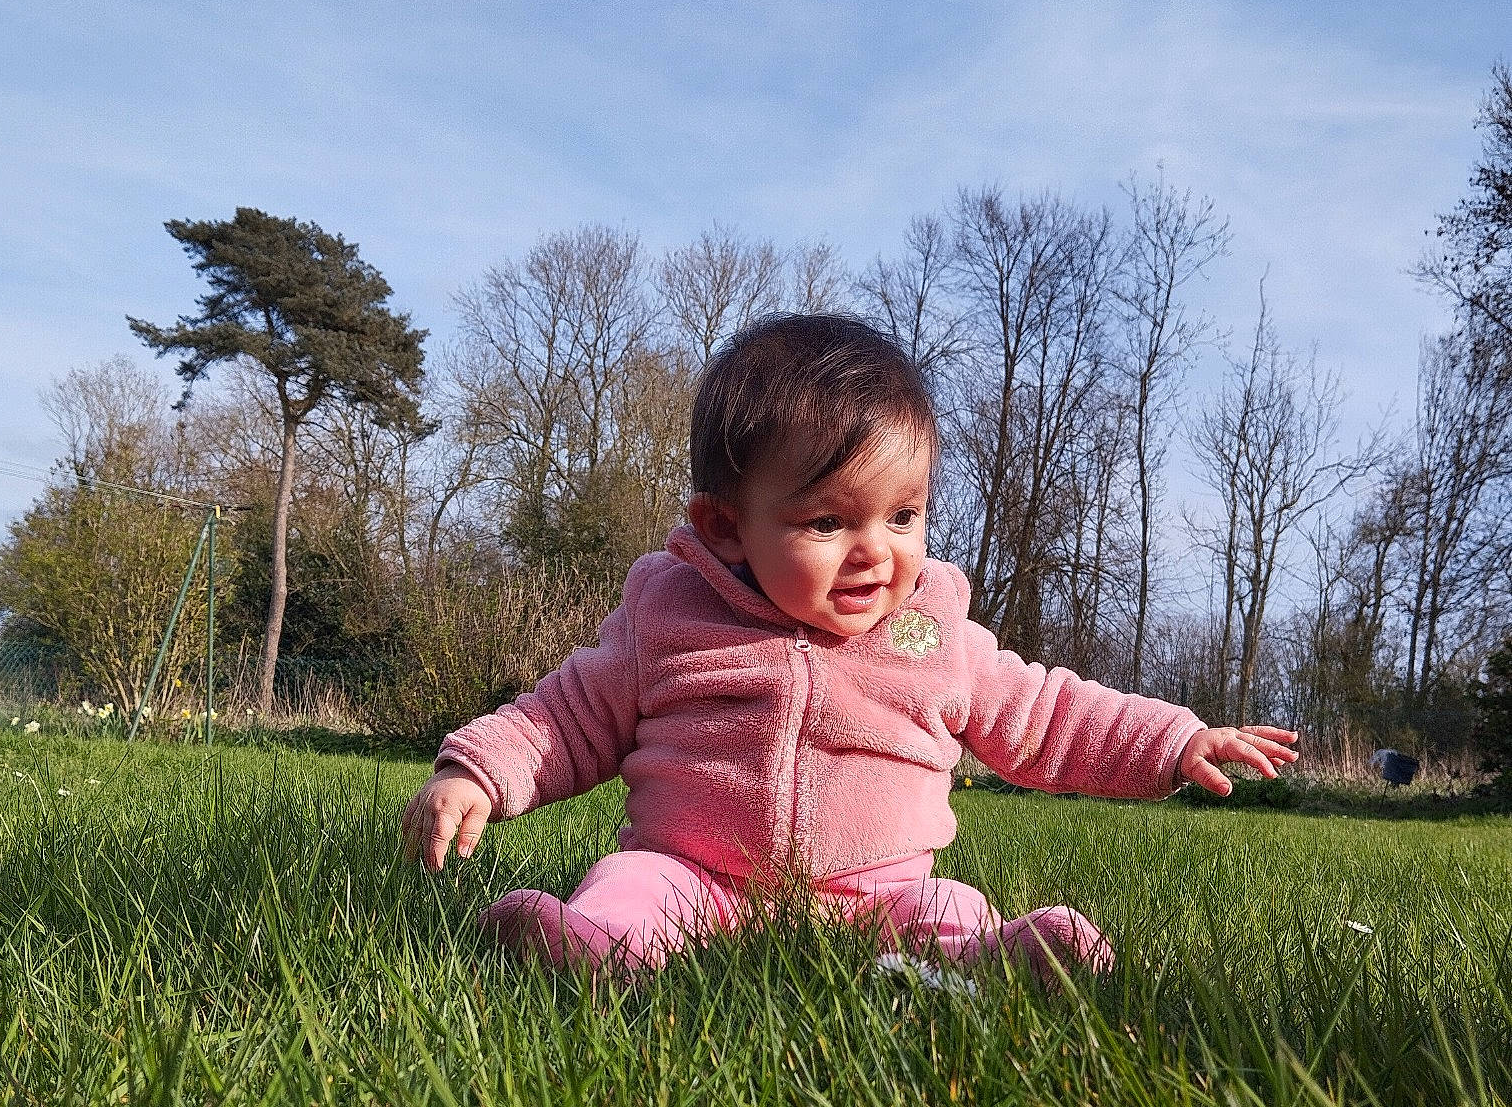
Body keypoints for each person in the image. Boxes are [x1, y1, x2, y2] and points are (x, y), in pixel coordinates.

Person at [401, 314, 1297, 979]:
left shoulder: (929, 626)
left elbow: (1047, 711)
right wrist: (477, 772)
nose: (879, 551)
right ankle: (591, 953)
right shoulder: (671, 615)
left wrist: (1174, 742)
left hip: (882, 890)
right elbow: (568, 714)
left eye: (904, 515)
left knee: (945, 913)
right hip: (695, 871)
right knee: (630, 887)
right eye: (828, 521)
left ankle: (1010, 961)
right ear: (724, 528)